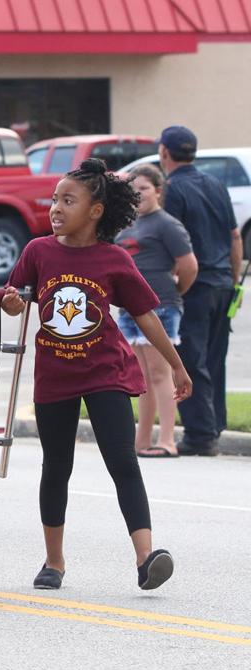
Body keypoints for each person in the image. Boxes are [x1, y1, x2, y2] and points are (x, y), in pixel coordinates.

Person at [2, 158, 192, 591]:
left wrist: (177, 365)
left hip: (105, 371)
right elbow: (15, 297)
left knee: (122, 460)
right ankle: (54, 561)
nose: (55, 208)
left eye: (68, 200)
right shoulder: (38, 251)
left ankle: (146, 558)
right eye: (54, 199)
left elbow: (145, 317)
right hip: (54, 377)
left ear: (95, 211)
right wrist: (11, 304)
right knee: (57, 466)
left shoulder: (113, 259)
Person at [157, 126, 242, 456]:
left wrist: (175, 286)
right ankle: (213, 424)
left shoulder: (173, 189)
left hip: (195, 284)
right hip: (223, 283)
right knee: (214, 359)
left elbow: (175, 245)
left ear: (165, 153)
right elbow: (235, 237)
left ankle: (200, 435)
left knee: (191, 359)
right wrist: (234, 281)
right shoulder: (215, 183)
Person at [115, 165, 198, 458]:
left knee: (162, 374)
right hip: (129, 310)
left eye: (144, 189)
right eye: (133, 190)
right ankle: (141, 441)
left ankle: (167, 440)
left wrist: (175, 294)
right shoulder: (125, 224)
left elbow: (188, 266)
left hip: (160, 306)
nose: (138, 195)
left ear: (159, 191)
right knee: (142, 378)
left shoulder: (167, 224)